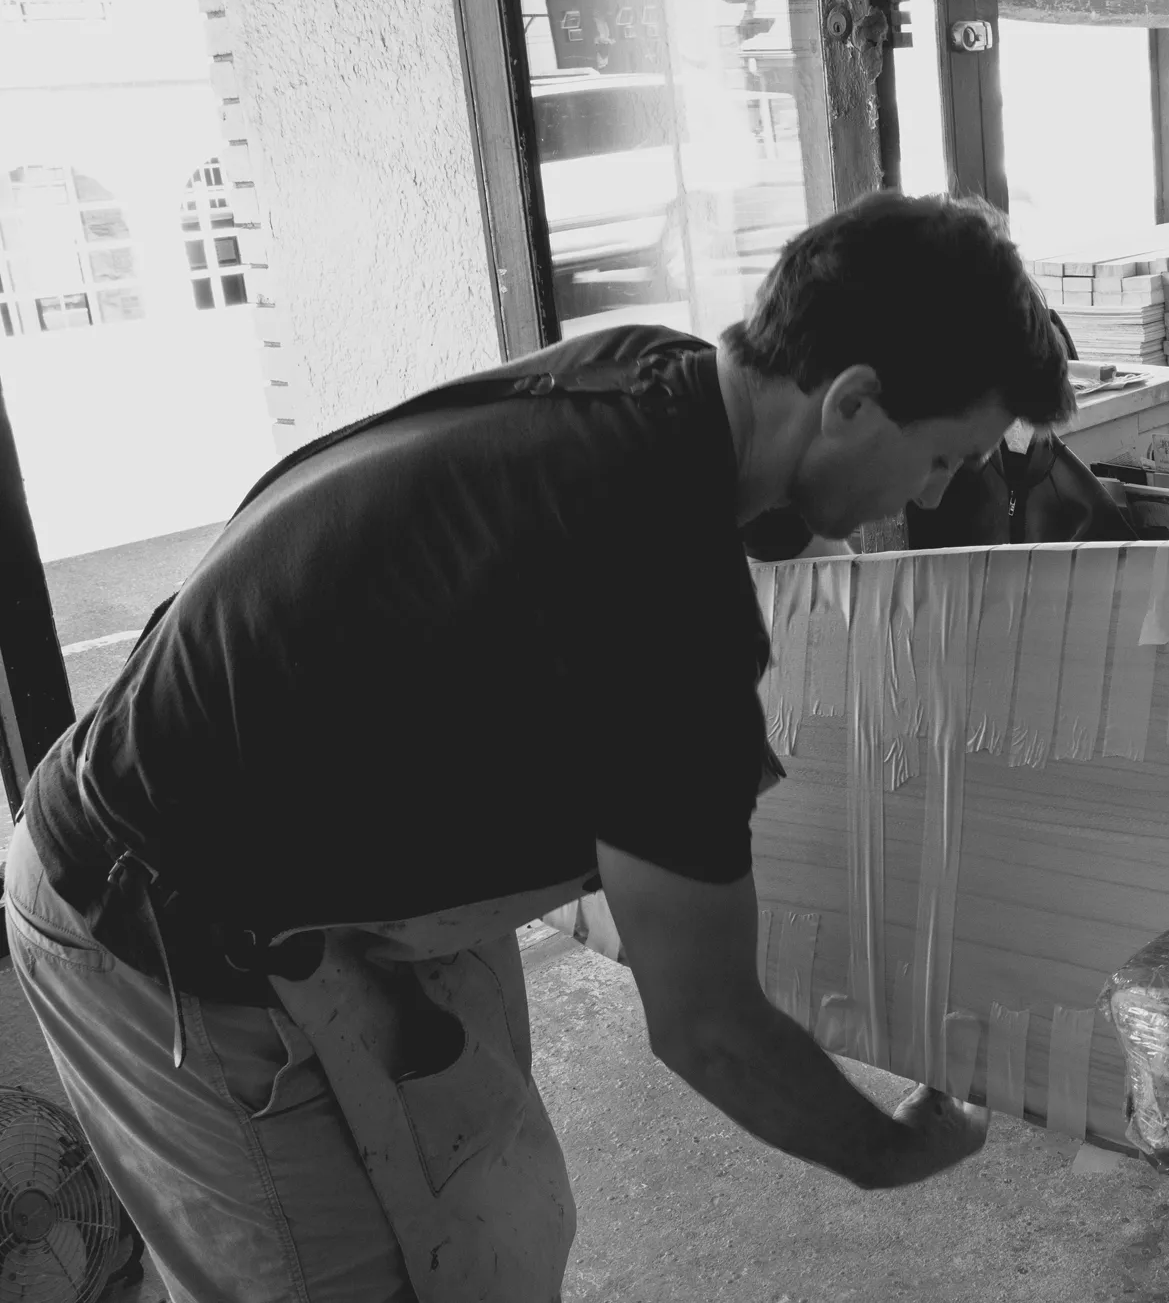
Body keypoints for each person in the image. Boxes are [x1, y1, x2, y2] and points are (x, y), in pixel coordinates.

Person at [3, 191, 1074, 1302]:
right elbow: (706, 1027)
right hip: (153, 912)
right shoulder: (662, 608)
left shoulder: (653, 379)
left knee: (494, 1229)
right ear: (850, 401)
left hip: (308, 831)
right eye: (942, 459)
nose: (936, 494)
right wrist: (881, 1149)